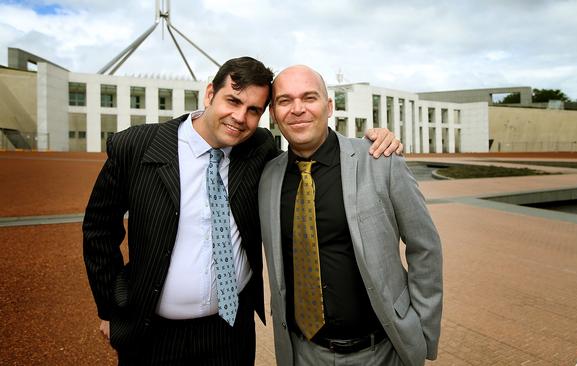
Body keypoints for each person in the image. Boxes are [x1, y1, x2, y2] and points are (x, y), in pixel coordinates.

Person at [82, 57, 402, 365]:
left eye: (253, 110)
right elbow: (99, 228)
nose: (240, 117)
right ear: (210, 93)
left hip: (230, 332)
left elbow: (310, 146)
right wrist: (111, 307)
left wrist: (371, 140)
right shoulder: (137, 146)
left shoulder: (258, 147)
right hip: (152, 333)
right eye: (232, 101)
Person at [259, 65, 443, 366]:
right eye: (284, 101)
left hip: (381, 352)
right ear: (275, 114)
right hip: (304, 353)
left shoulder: (380, 161)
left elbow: (426, 247)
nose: (298, 109)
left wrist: (421, 332)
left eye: (309, 97)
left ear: (329, 106)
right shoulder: (267, 177)